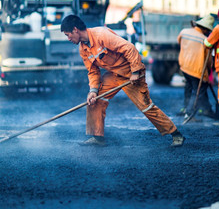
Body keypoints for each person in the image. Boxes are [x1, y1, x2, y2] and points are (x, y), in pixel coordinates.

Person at [61, 14, 185, 147]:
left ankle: (176, 134)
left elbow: (129, 48)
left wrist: (135, 71)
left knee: (146, 106)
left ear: (75, 30)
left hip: (130, 73)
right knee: (94, 100)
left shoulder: (101, 35)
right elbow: (93, 71)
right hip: (114, 74)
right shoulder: (83, 49)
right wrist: (93, 91)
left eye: (68, 35)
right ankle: (97, 138)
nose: (68, 38)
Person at [177, 14, 216, 122]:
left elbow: (179, 42)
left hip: (184, 66)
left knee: (189, 87)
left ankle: (198, 109)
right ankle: (189, 114)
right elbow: (208, 61)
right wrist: (210, 69)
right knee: (198, 91)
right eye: (208, 30)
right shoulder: (205, 40)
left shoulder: (184, 32)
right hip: (197, 69)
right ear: (204, 28)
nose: (208, 32)